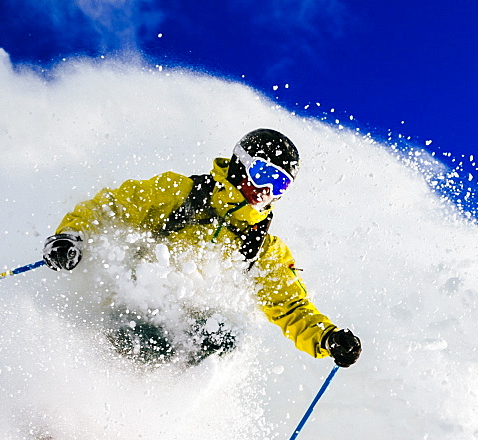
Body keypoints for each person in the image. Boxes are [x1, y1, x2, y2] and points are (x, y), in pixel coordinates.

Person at [42, 128, 361, 368]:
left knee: (224, 337)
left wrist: (328, 338)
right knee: (146, 337)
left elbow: (289, 305)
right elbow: (113, 206)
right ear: (241, 164)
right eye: (263, 173)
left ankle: (150, 428)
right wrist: (71, 236)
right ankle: (85, 402)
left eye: (279, 185)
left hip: (190, 331)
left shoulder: (263, 247)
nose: (266, 190)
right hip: (133, 308)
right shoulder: (181, 193)